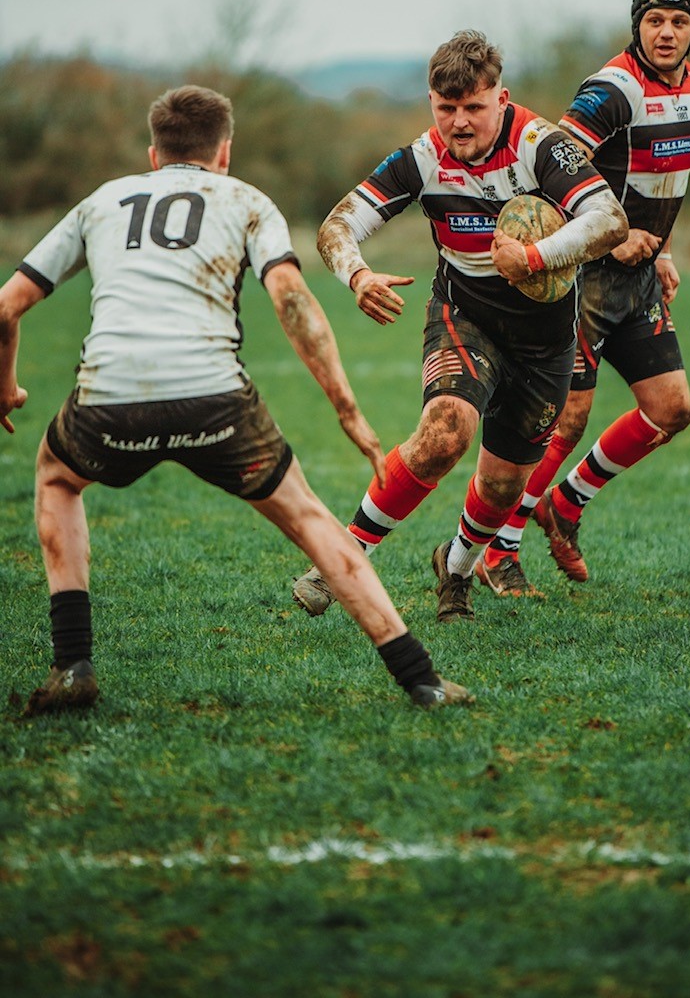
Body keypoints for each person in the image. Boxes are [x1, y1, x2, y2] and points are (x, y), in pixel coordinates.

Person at [0, 84, 472, 713]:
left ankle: (71, 666)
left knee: (57, 479)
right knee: (309, 518)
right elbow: (292, 301)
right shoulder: (247, 200)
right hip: (215, 403)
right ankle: (422, 679)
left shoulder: (101, 202)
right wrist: (348, 411)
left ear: (152, 153)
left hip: (108, 398)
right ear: (225, 151)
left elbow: (7, 307)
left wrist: (5, 387)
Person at [291, 30, 627, 622]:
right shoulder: (422, 157)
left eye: (474, 106)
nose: (460, 123)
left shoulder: (540, 145)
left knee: (502, 486)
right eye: (447, 108)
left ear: (501, 97)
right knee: (446, 431)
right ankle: (342, 560)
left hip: (545, 341)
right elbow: (337, 225)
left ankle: (457, 569)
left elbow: (610, 221)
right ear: (431, 104)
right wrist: (358, 276)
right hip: (464, 315)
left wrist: (536, 257)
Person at [476, 0, 690, 588]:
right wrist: (616, 231)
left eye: (679, 22)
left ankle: (568, 501)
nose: (666, 32)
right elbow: (555, 157)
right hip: (590, 277)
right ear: (637, 25)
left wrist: (659, 249)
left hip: (639, 280)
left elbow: (666, 180)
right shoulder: (612, 88)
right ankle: (501, 548)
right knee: (565, 418)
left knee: (671, 408)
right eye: (655, 21)